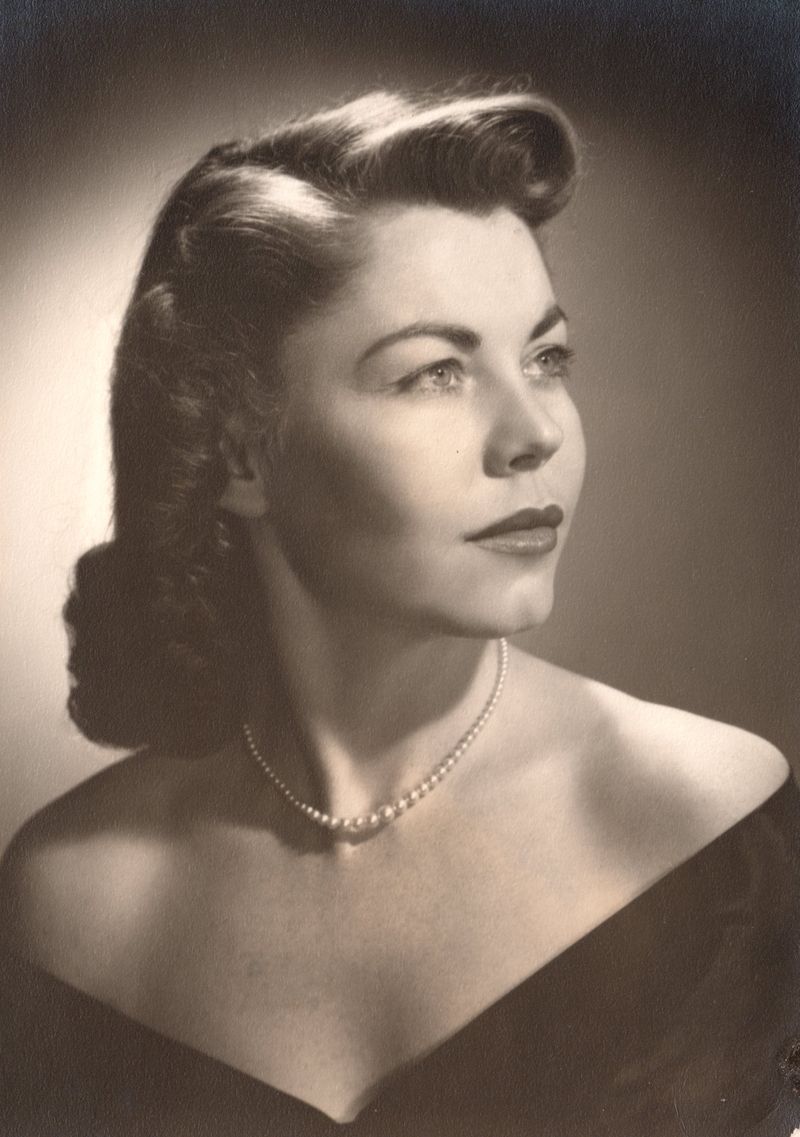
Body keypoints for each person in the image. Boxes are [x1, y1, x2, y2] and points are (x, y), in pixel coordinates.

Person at [1, 86, 798, 1137]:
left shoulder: (719, 838)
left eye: (546, 358)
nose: (533, 432)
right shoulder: (68, 900)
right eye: (434, 374)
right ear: (240, 456)